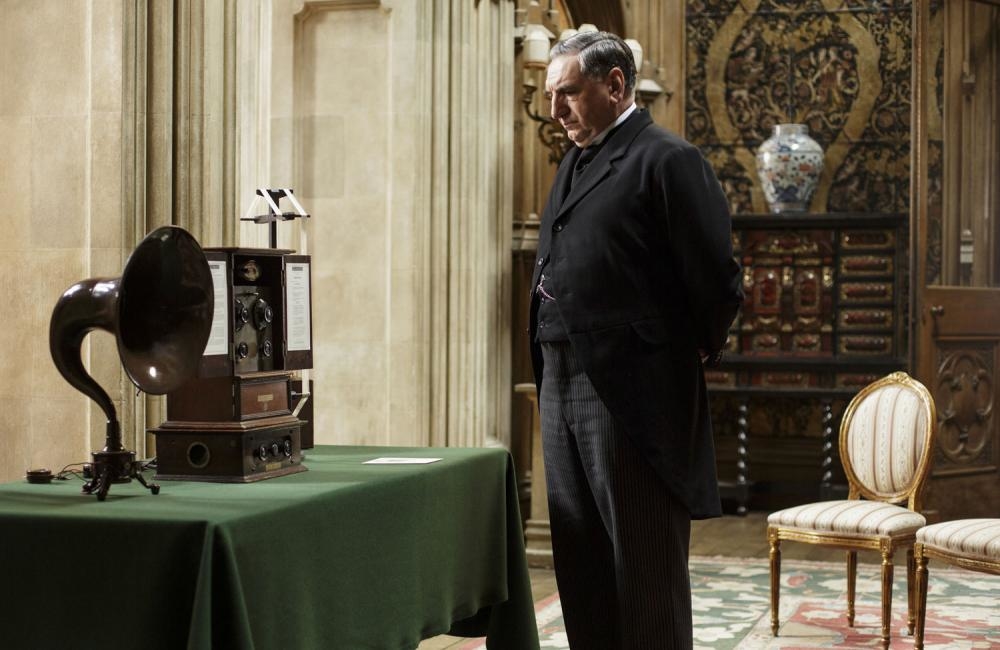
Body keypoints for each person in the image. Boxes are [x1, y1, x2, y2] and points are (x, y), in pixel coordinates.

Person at [528, 31, 743, 649]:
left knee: (644, 569)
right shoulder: (572, 163)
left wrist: (682, 350)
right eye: (549, 95)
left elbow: (716, 278)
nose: (555, 110)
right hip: (559, 379)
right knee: (582, 563)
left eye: (568, 93)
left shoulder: (668, 159)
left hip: (632, 389)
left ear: (615, 84)